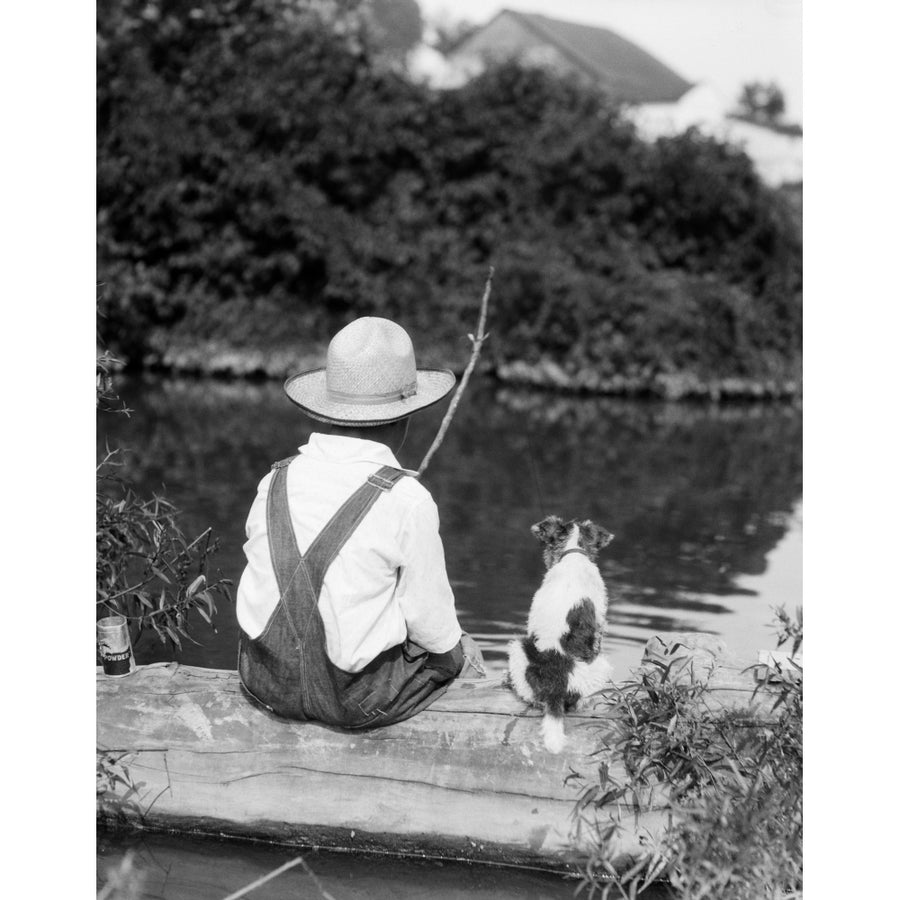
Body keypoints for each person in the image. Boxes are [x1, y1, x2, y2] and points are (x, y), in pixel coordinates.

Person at [236, 316, 485, 728]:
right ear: (405, 418)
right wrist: (459, 647)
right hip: (355, 701)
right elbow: (431, 625)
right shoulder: (408, 499)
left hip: (264, 682)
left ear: (328, 410)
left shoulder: (274, 478)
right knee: (453, 650)